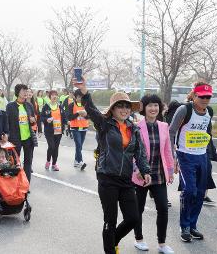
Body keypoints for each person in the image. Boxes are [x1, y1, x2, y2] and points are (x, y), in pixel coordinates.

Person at [74, 76, 151, 254]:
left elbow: (140, 153)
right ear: (113, 109)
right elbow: (91, 110)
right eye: (120, 106)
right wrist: (85, 92)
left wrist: (145, 170)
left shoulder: (134, 128)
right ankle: (110, 249)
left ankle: (112, 241)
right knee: (111, 220)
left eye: (126, 106)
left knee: (133, 218)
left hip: (125, 179)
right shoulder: (105, 124)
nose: (124, 110)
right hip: (107, 177)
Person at [169, 81, 213, 242]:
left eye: (208, 97)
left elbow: (207, 133)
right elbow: (171, 131)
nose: (205, 100)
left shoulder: (209, 112)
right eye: (202, 96)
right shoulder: (184, 109)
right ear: (194, 95)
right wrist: (173, 155)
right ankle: (185, 226)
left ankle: (193, 226)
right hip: (185, 156)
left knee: (201, 193)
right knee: (190, 191)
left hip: (202, 156)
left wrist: (208, 153)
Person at [131, 94, 175, 254]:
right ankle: (139, 239)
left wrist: (170, 170)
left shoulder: (164, 126)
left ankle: (162, 244)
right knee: (138, 209)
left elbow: (167, 150)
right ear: (144, 108)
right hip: (141, 175)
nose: (153, 108)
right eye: (150, 105)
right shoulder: (136, 126)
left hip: (159, 173)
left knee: (163, 208)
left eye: (156, 105)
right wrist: (137, 170)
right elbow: (131, 152)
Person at [6, 84, 38, 182]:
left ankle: (26, 184)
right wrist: (7, 135)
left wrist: (33, 120)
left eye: (26, 91)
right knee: (15, 162)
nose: (26, 93)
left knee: (28, 163)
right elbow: (7, 122)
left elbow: (32, 120)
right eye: (23, 91)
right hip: (16, 138)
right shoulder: (10, 106)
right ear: (17, 93)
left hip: (28, 138)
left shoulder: (29, 105)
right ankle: (15, 184)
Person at [41, 90, 66, 171]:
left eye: (56, 95)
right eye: (53, 95)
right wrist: (46, 119)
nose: (54, 96)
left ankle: (54, 164)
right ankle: (48, 161)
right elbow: (41, 117)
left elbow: (64, 117)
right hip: (49, 131)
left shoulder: (60, 106)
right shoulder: (46, 106)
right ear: (50, 97)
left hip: (58, 131)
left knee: (56, 148)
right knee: (51, 146)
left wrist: (67, 122)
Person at [68, 89, 89, 170]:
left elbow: (89, 116)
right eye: (79, 97)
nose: (80, 98)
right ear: (75, 97)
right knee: (78, 145)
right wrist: (78, 113)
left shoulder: (85, 105)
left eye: (81, 97)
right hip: (75, 128)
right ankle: (80, 161)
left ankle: (76, 161)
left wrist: (85, 115)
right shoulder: (71, 105)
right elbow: (69, 117)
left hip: (84, 128)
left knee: (80, 146)